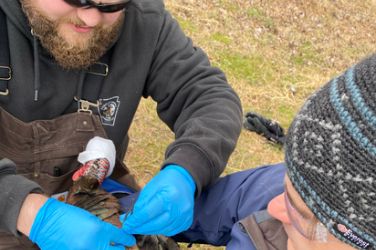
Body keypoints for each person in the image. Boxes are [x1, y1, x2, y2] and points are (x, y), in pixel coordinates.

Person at [0, 0, 243, 249]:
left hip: (93, 211)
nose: (91, 19)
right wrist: (29, 212)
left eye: (110, 6)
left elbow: (208, 95)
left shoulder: (143, 22)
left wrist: (187, 170)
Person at [169, 54, 376, 249]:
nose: (274, 207)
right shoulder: (304, 182)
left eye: (301, 216)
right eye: (288, 190)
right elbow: (213, 207)